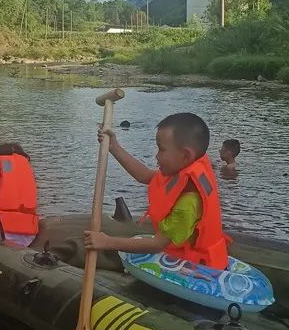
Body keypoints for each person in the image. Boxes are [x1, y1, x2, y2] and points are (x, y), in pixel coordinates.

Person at [84, 112, 229, 270]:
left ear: (186, 155)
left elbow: (156, 244)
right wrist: (114, 147)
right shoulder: (183, 171)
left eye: (161, 149)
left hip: (198, 269)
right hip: (187, 253)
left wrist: (106, 242)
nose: (156, 156)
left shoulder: (188, 203)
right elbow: (145, 175)